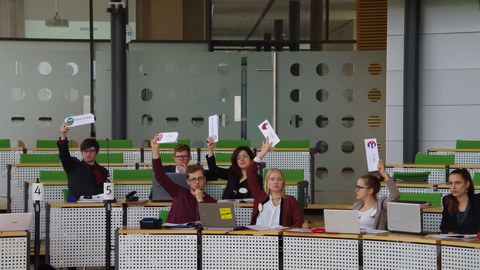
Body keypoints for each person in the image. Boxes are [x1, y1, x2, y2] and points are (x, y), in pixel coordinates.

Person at [151, 135, 216, 224]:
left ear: (204, 179)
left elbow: (204, 225)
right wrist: (155, 150)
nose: (197, 182)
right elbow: (159, 175)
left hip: (195, 236)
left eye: (200, 178)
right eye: (193, 179)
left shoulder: (211, 201)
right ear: (188, 181)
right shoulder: (179, 192)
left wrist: (200, 201)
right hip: (173, 235)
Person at [246, 139, 304, 227]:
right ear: (267, 182)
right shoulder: (260, 196)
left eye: (279, 179)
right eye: (272, 179)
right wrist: (262, 153)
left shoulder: (290, 200)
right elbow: (250, 171)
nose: (276, 182)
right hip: (258, 238)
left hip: (279, 238)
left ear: (283, 183)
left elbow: (299, 222)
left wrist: (285, 233)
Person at [58, 122, 109, 198]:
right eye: (85, 151)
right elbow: (64, 155)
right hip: (77, 206)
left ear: (96, 152)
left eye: (91, 151)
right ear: (81, 152)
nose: (88, 154)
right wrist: (63, 136)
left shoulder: (103, 171)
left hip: (98, 206)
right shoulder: (73, 165)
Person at [352, 159, 400, 230]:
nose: (356, 190)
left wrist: (384, 174)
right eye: (356, 187)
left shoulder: (381, 204)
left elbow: (395, 195)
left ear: (370, 191)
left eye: (359, 187)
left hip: (373, 240)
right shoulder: (356, 206)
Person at [440, 168, 480, 234]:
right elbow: (444, 228)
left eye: (457, 183)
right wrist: (451, 234)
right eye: (450, 183)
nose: (453, 187)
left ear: (467, 184)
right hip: (455, 242)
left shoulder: (478, 200)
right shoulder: (447, 200)